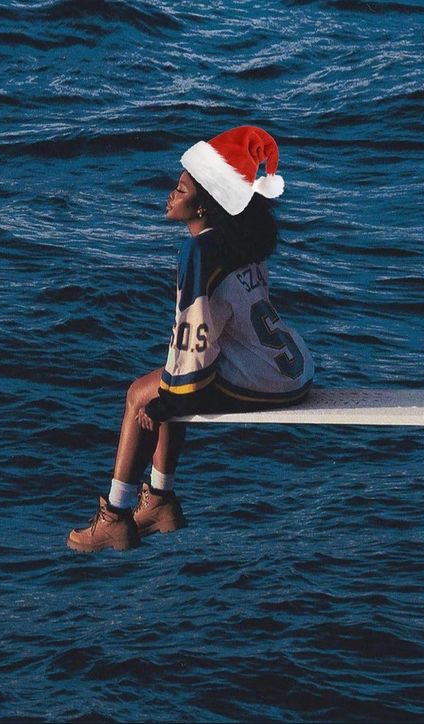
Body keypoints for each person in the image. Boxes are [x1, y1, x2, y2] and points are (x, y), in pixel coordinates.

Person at [67, 125, 314, 553]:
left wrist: (170, 402)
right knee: (168, 382)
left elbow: (193, 335)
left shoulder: (198, 252)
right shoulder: (241, 240)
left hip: (262, 382)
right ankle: (160, 499)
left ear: (204, 205)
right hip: (290, 370)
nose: (170, 194)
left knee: (141, 396)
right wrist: (173, 393)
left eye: (180, 189)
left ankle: (116, 516)